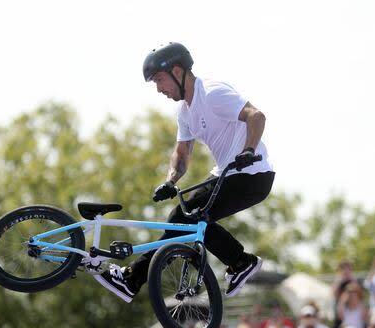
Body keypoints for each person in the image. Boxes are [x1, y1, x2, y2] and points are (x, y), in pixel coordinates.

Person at [96, 42, 273, 302]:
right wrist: (170, 180)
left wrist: (248, 150)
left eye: (159, 80)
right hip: (226, 172)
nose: (159, 90)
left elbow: (256, 116)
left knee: (185, 216)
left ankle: (133, 278)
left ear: (177, 72)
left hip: (252, 174)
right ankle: (239, 262)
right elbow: (182, 152)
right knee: (184, 218)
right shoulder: (185, 111)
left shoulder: (211, 93)